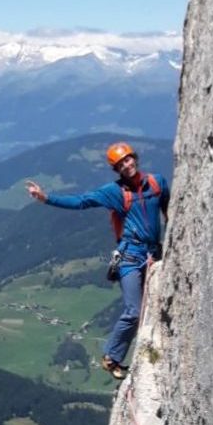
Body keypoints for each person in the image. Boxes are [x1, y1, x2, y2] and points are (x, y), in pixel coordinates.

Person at [26, 141, 169, 380]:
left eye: (128, 159)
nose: (127, 165)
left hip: (154, 253)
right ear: (117, 170)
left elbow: (169, 210)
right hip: (130, 258)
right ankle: (111, 356)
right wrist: (45, 198)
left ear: (135, 158)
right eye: (121, 164)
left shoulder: (157, 183)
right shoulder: (114, 192)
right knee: (134, 311)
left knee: (152, 309)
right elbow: (82, 201)